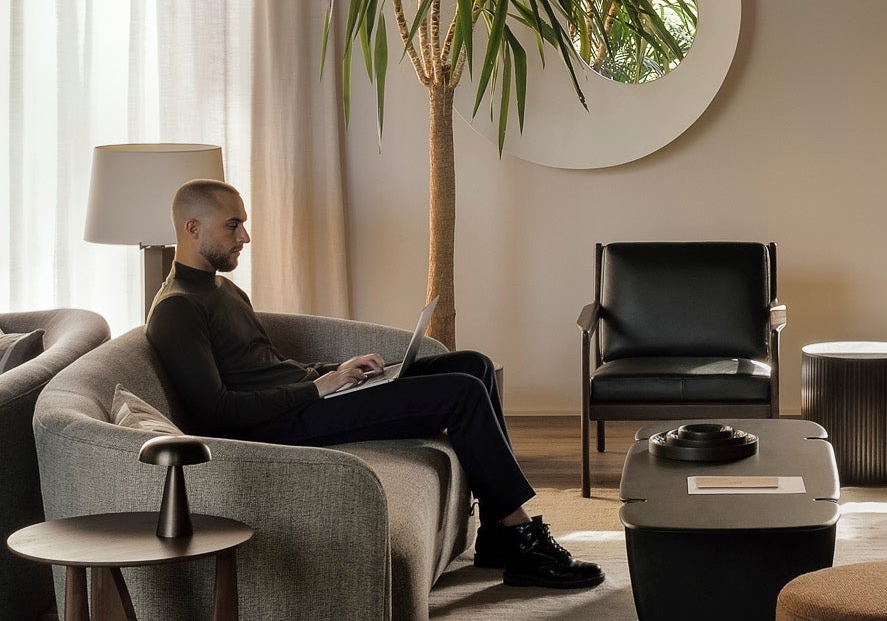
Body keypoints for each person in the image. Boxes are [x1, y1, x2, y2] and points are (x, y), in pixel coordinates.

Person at [145, 179, 602, 591]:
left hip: (304, 399)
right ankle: (521, 536)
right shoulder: (177, 309)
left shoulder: (223, 291)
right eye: (233, 225)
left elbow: (268, 365)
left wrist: (337, 370)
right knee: (461, 394)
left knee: (473, 365)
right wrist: (318, 390)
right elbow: (217, 415)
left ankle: (497, 538)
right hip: (278, 426)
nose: (245, 236)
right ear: (192, 228)